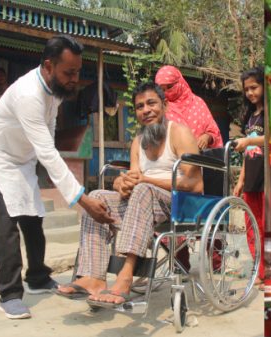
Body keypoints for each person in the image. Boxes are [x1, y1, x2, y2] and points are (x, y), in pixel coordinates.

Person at [0, 34, 114, 319]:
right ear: (48, 65)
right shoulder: (28, 94)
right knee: (7, 223)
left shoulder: (55, 91)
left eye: (78, 72)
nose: (74, 79)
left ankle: (37, 278)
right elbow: (46, 150)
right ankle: (9, 294)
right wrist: (83, 200)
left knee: (33, 216)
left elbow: (49, 131)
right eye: (68, 72)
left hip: (22, 159)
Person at [56, 82, 203, 306]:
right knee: (97, 196)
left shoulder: (179, 133)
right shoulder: (138, 142)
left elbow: (194, 184)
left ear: (164, 105)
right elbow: (134, 178)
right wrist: (120, 183)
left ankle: (126, 275)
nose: (146, 110)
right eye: (140, 106)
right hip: (146, 201)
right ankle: (92, 277)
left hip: (181, 202)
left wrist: (145, 180)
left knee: (143, 189)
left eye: (152, 103)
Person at [232, 66, 265, 286]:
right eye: (247, 89)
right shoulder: (250, 119)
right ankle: (259, 270)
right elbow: (246, 155)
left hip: (267, 179)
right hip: (251, 180)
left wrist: (249, 141)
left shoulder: (270, 115)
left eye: (254, 87)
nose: (250, 93)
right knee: (251, 227)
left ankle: (267, 273)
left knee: (265, 227)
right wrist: (240, 180)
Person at [155, 65, 223, 150]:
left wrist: (207, 137)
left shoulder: (197, 102)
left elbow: (213, 130)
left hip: (201, 159)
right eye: (162, 89)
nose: (166, 92)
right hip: (173, 160)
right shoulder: (159, 108)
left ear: (179, 82)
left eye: (169, 87)